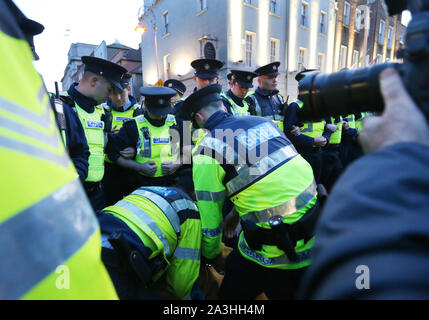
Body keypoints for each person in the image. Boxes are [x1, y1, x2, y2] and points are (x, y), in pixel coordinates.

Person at [0, 0, 117, 299]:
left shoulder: (70, 112)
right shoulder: (63, 105)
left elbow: (83, 152)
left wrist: (73, 181)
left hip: (90, 197)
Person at [298, 68, 429, 299]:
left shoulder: (366, 185)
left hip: (334, 151)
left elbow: (360, 283)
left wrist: (395, 154)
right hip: (320, 151)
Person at [183, 84, 321, 300]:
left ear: (199, 118)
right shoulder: (265, 124)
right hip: (317, 233)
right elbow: (263, 177)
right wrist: (235, 214)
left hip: (274, 252)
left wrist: (211, 256)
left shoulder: (207, 150)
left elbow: (210, 220)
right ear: (224, 108)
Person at [96, 176, 201, 300]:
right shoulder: (190, 210)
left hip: (90, 240)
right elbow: (182, 280)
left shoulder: (145, 190)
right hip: (119, 263)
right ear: (195, 192)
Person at [60, 56, 127, 211]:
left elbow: (104, 147)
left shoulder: (102, 111)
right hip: (71, 195)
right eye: (109, 90)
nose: (110, 96)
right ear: (94, 81)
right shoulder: (61, 106)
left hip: (97, 194)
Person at [107, 86, 184, 188]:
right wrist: (140, 167)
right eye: (156, 112)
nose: (160, 116)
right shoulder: (131, 125)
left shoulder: (181, 123)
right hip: (142, 184)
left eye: (163, 112)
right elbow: (113, 154)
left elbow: (190, 149)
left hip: (173, 182)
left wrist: (177, 164)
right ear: (146, 106)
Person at [283, 70, 333, 184]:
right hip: (302, 155)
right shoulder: (295, 107)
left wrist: (326, 138)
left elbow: (328, 127)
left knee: (317, 184)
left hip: (319, 153)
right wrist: (312, 141)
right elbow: (289, 134)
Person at [101, 73, 143, 206]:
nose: (118, 98)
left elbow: (149, 139)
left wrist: (136, 150)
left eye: (121, 93)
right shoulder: (102, 111)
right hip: (110, 170)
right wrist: (106, 135)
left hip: (132, 169)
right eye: (114, 93)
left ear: (128, 89)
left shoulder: (138, 112)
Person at [245, 61, 286, 130]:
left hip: (280, 139)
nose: (275, 80)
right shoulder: (251, 99)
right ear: (259, 80)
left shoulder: (279, 98)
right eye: (270, 77)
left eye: (275, 77)